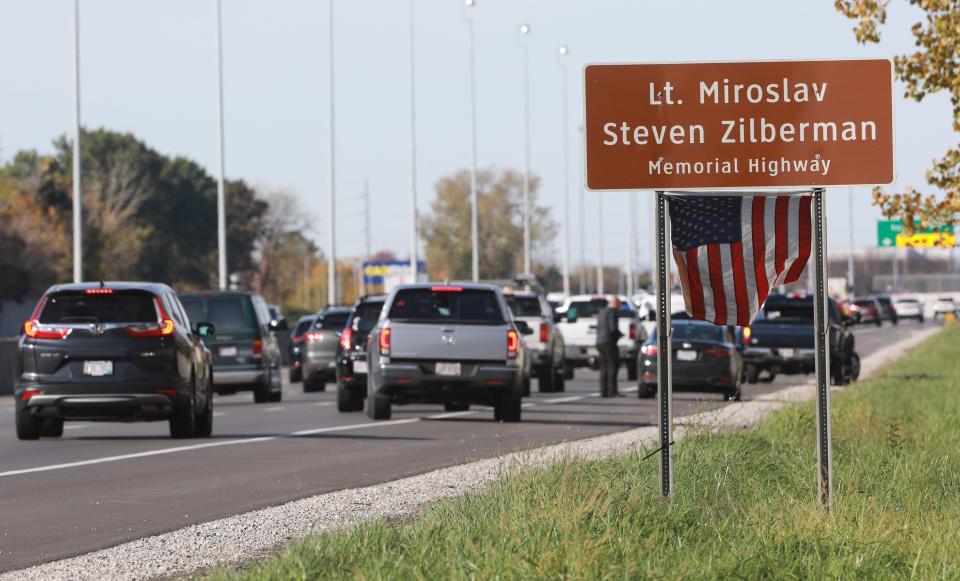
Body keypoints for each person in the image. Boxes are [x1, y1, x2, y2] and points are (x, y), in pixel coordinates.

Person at [595, 295, 623, 397]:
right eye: (619, 305)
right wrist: (619, 335)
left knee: (604, 367)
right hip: (609, 342)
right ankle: (612, 391)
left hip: (599, 342)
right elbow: (613, 328)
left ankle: (603, 391)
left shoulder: (602, 312)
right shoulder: (612, 312)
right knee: (613, 366)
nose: (620, 307)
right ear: (616, 304)